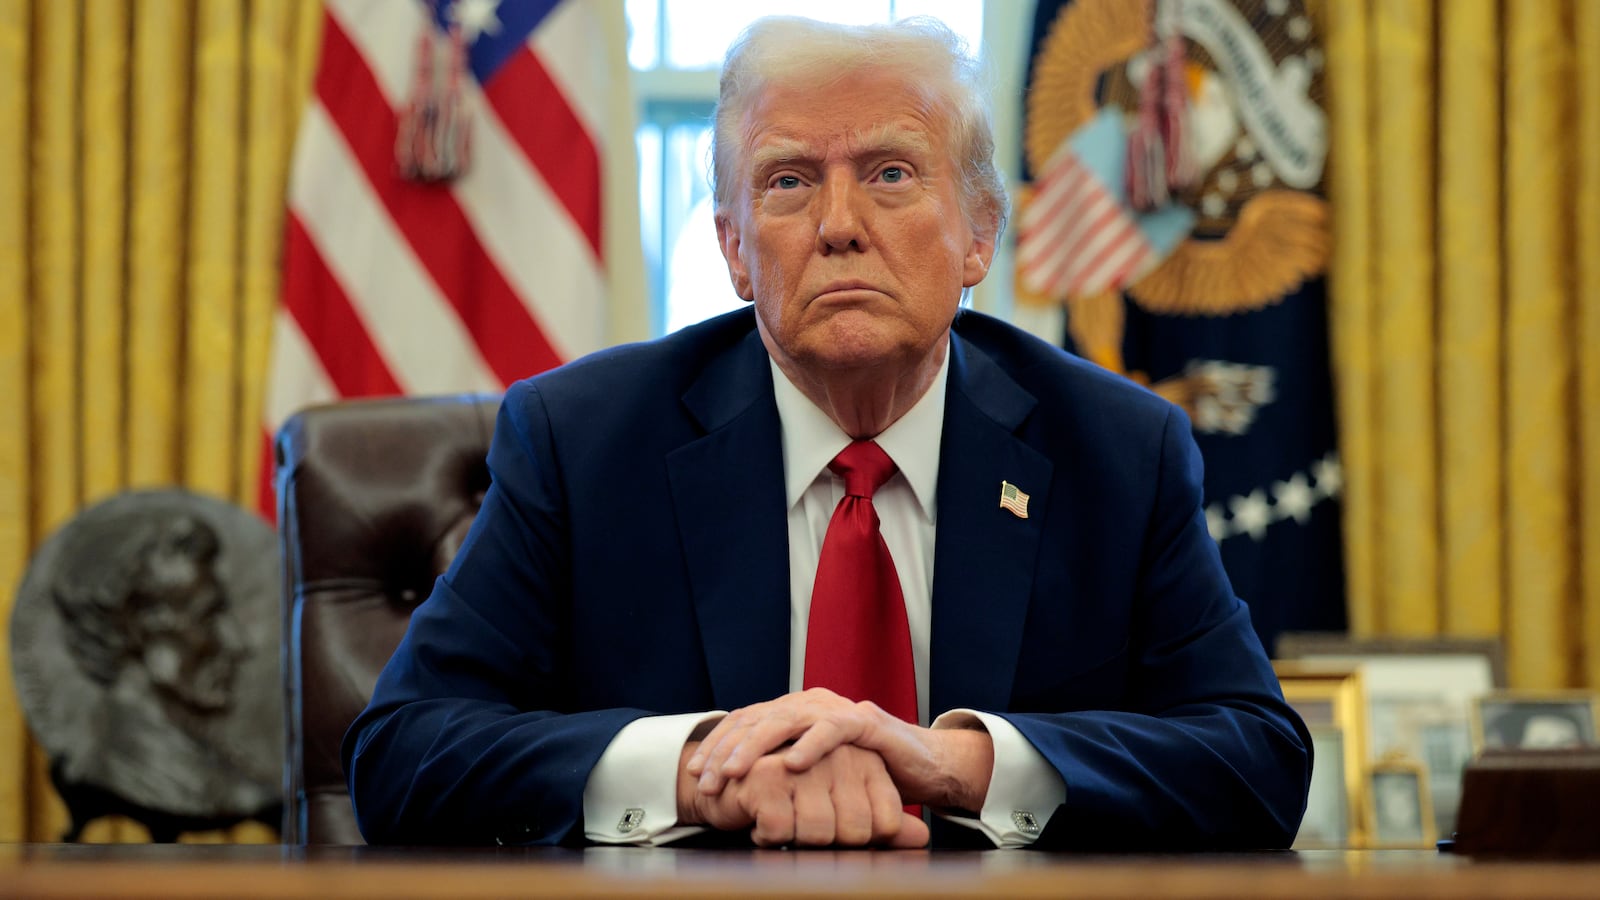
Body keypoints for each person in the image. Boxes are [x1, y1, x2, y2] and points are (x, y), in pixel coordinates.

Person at [343, 15, 1311, 851]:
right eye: (788, 182)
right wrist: (702, 771)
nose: (838, 224)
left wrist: (960, 763)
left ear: (979, 232)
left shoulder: (1118, 449)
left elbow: (1256, 759)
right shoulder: (582, 441)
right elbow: (401, 753)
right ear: (734, 249)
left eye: (890, 173)